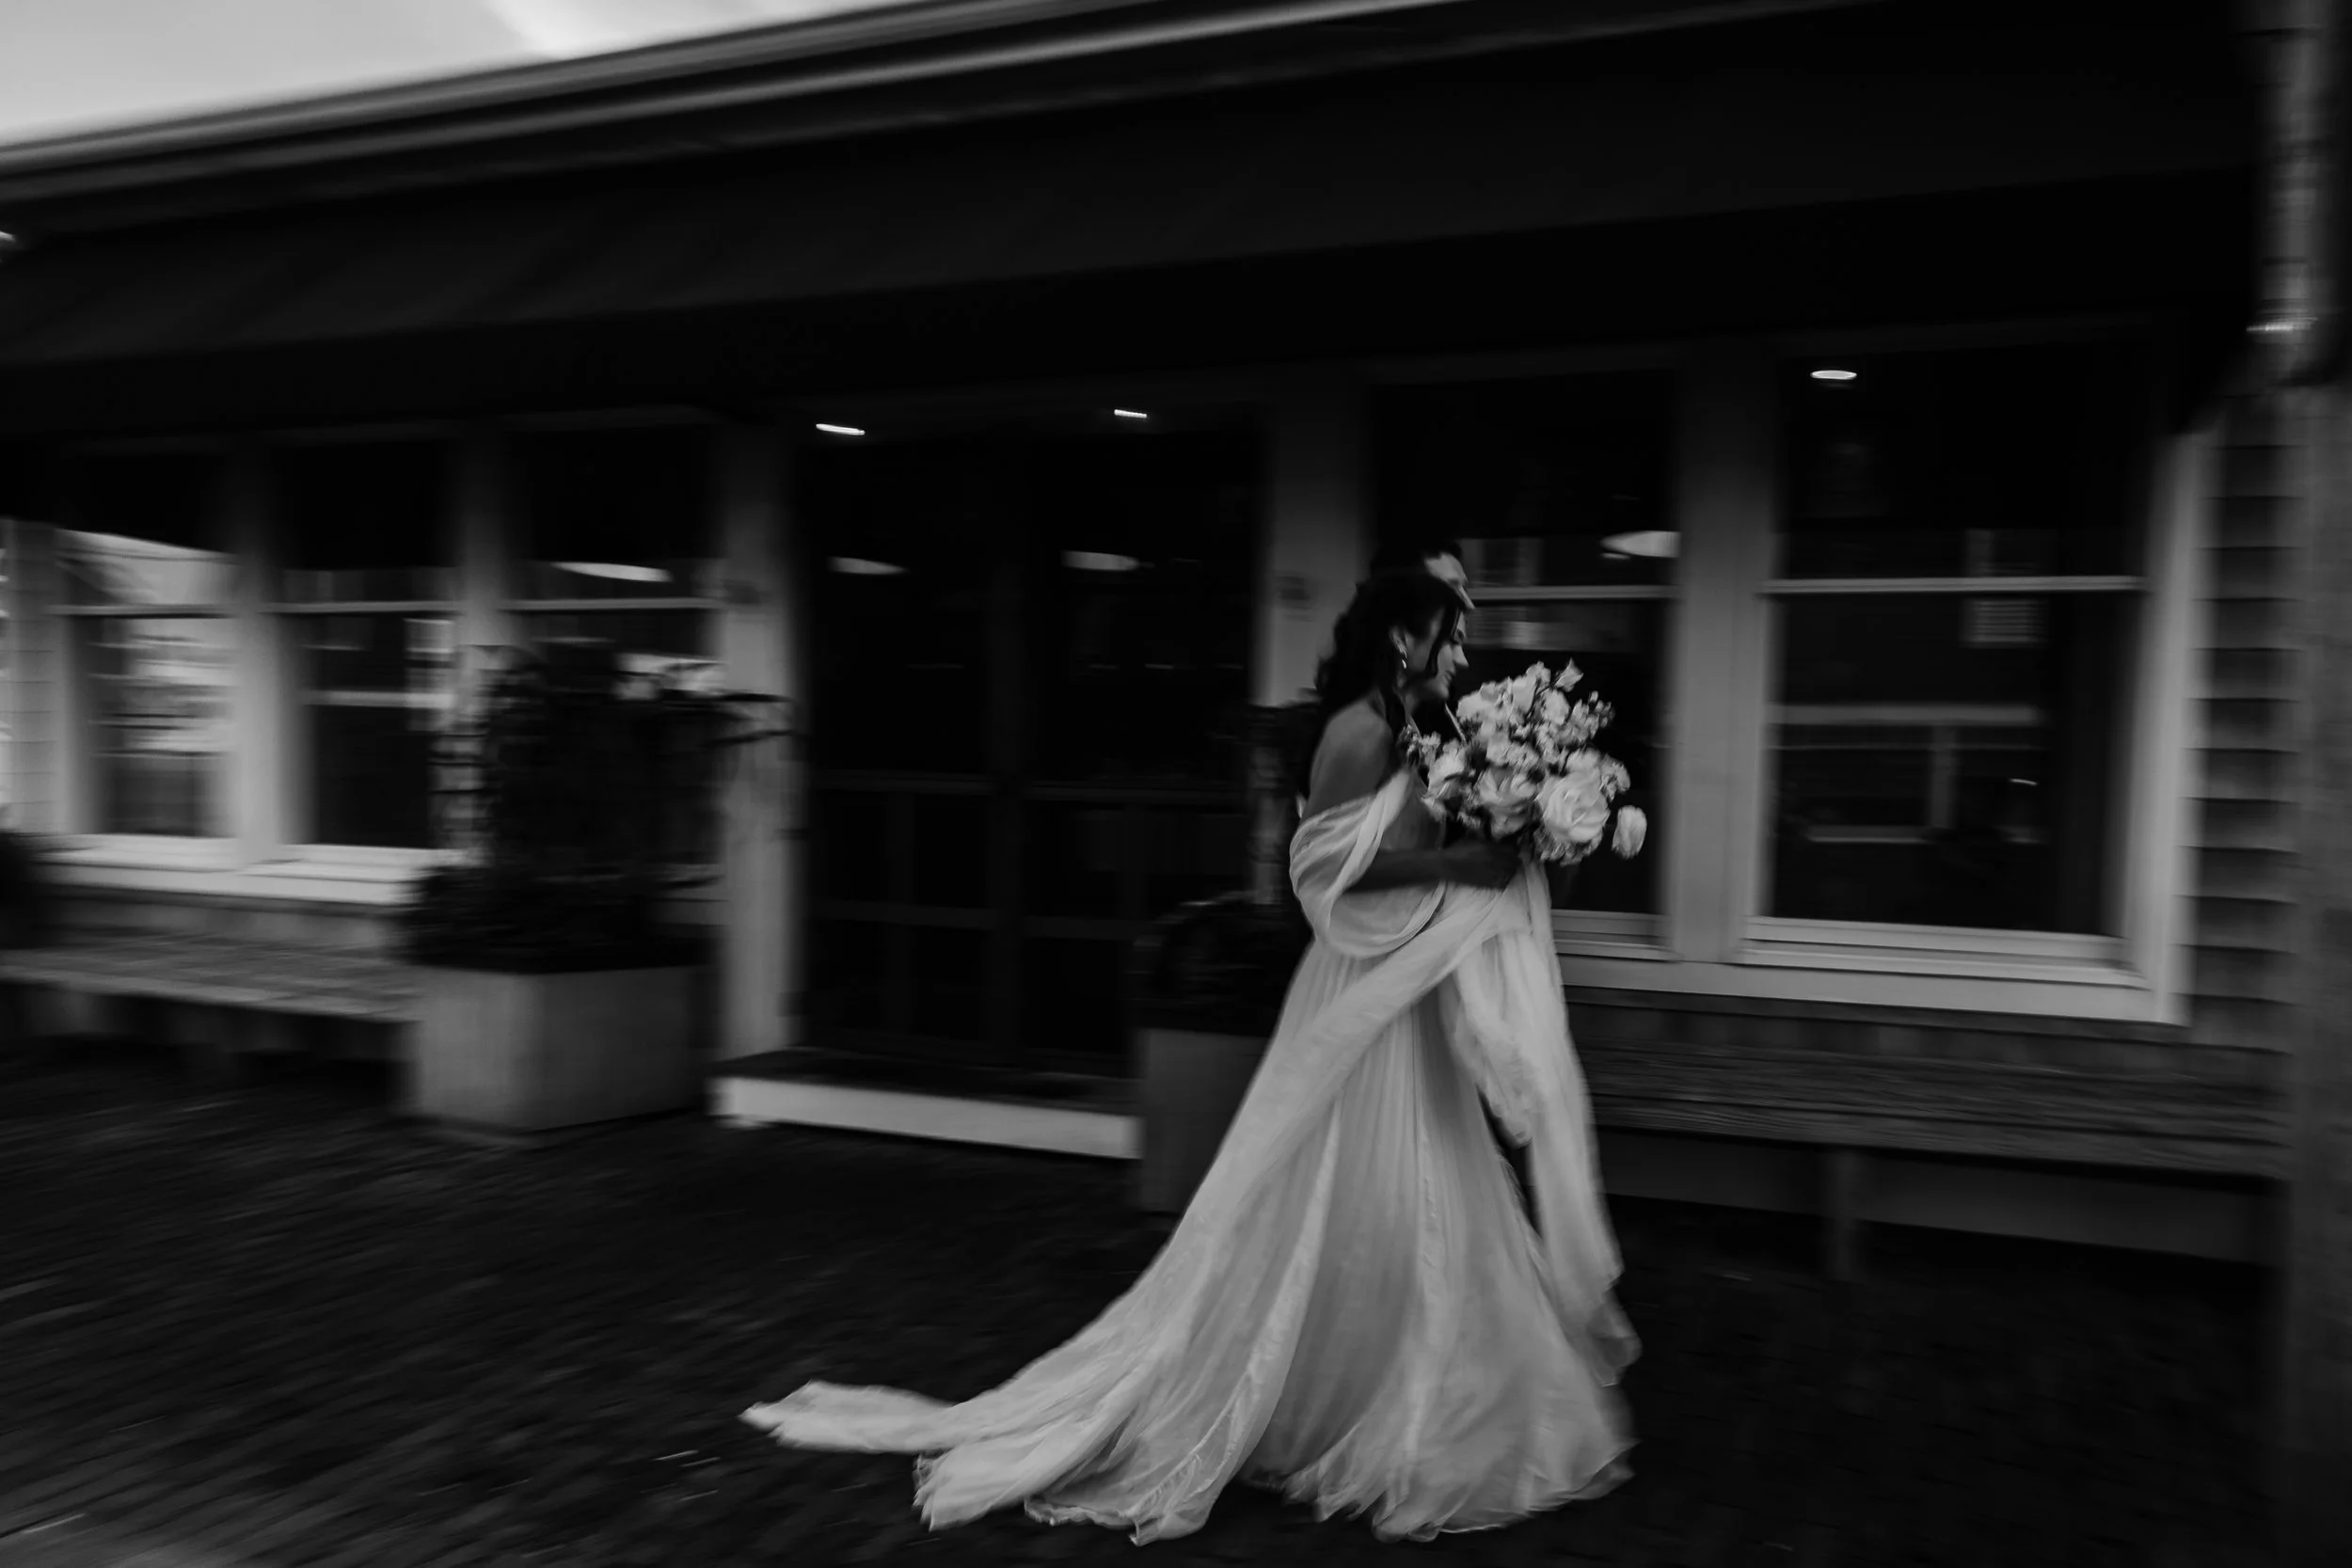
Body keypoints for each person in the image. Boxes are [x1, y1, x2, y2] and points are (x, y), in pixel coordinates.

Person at [742, 572, 1637, 1544]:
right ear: (1401, 638)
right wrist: (1452, 864)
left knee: (1429, 1180)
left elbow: (1430, 828)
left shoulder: (1429, 722)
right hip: (1355, 991)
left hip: (1406, 985)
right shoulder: (1358, 731)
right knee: (1335, 1186)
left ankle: (1406, 1385)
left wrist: (1521, 817)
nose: (1462, 655)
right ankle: (1337, 1395)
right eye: (1448, 636)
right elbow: (1316, 865)